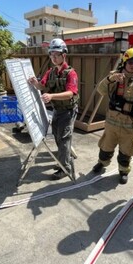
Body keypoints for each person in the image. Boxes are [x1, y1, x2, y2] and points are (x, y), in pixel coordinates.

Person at [91, 47, 133, 184]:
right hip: (113, 121)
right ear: (124, 62)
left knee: (126, 150)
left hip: (130, 124)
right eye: (130, 62)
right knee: (106, 146)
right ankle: (102, 163)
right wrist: (110, 79)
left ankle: (123, 171)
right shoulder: (114, 76)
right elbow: (100, 90)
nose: (132, 65)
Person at [28, 38, 79, 180]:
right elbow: (42, 86)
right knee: (58, 136)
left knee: (63, 139)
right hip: (57, 110)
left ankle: (65, 168)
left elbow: (71, 93)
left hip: (68, 111)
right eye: (52, 54)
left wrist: (52, 96)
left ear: (64, 55)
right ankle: (64, 161)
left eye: (57, 54)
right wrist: (34, 83)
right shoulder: (50, 72)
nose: (54, 57)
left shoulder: (71, 73)